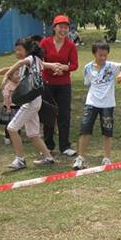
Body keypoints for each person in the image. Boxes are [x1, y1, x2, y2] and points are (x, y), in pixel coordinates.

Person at [0, 38, 60, 170]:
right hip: (34, 101)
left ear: (28, 50)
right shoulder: (36, 60)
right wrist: (53, 65)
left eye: (19, 49)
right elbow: (43, 64)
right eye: (16, 49)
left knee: (12, 128)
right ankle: (48, 157)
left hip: (31, 102)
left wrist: (6, 74)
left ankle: (20, 160)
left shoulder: (30, 59)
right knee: (33, 134)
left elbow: (21, 63)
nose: (17, 52)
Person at [72, 42, 121, 170]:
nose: (103, 58)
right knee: (85, 130)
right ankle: (81, 158)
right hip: (91, 103)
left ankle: (107, 158)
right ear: (94, 54)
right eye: (100, 55)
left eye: (105, 55)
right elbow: (87, 82)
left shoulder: (111, 66)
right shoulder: (88, 68)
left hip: (107, 104)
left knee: (107, 132)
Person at [40, 15, 79, 156]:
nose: (63, 30)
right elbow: (38, 62)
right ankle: (48, 145)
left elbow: (74, 65)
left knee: (64, 114)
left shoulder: (70, 45)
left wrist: (64, 68)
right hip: (48, 83)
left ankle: (65, 146)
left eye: (66, 27)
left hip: (64, 84)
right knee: (48, 113)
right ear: (54, 27)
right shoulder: (45, 43)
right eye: (60, 26)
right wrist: (51, 66)